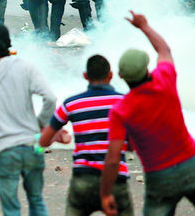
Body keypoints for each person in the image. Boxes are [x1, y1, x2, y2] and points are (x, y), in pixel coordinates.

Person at [100, 11, 195, 216]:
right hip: (192, 164)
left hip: (159, 176)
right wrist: (144, 26)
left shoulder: (121, 110)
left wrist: (105, 193)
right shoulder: (164, 80)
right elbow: (164, 49)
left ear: (121, 77)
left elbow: (113, 158)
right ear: (147, 69)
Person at [0, 24, 60, 216]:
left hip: (2, 150)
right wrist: (40, 123)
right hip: (33, 146)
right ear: (8, 43)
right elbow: (50, 97)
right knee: (37, 200)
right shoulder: (24, 67)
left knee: (11, 209)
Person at [39, 55, 133, 216]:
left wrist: (58, 137)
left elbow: (43, 141)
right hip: (116, 179)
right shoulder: (125, 102)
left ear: (85, 76)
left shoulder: (71, 104)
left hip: (83, 179)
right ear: (110, 75)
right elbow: (132, 145)